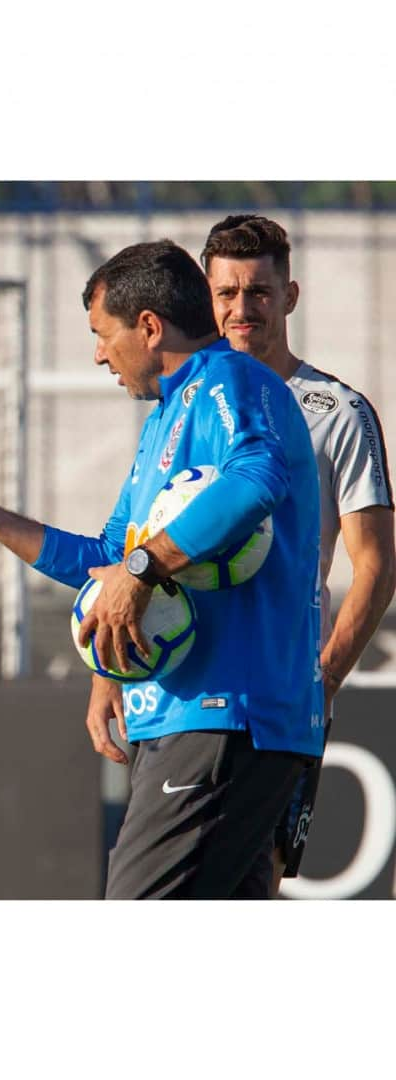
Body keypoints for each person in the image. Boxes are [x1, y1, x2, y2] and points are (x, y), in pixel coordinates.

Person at [0, 239, 325, 899]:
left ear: (149, 327)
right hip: (194, 719)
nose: (99, 353)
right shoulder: (165, 420)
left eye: (103, 334)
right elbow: (109, 562)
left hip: (226, 716)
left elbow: (257, 477)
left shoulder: (232, 379)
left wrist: (143, 566)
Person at [199, 213, 395, 892]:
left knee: (257, 881)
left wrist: (326, 675)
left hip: (281, 697)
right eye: (227, 293)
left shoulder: (337, 410)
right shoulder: (187, 405)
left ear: (290, 295)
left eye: (258, 291)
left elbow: (376, 562)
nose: (241, 308)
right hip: (187, 692)